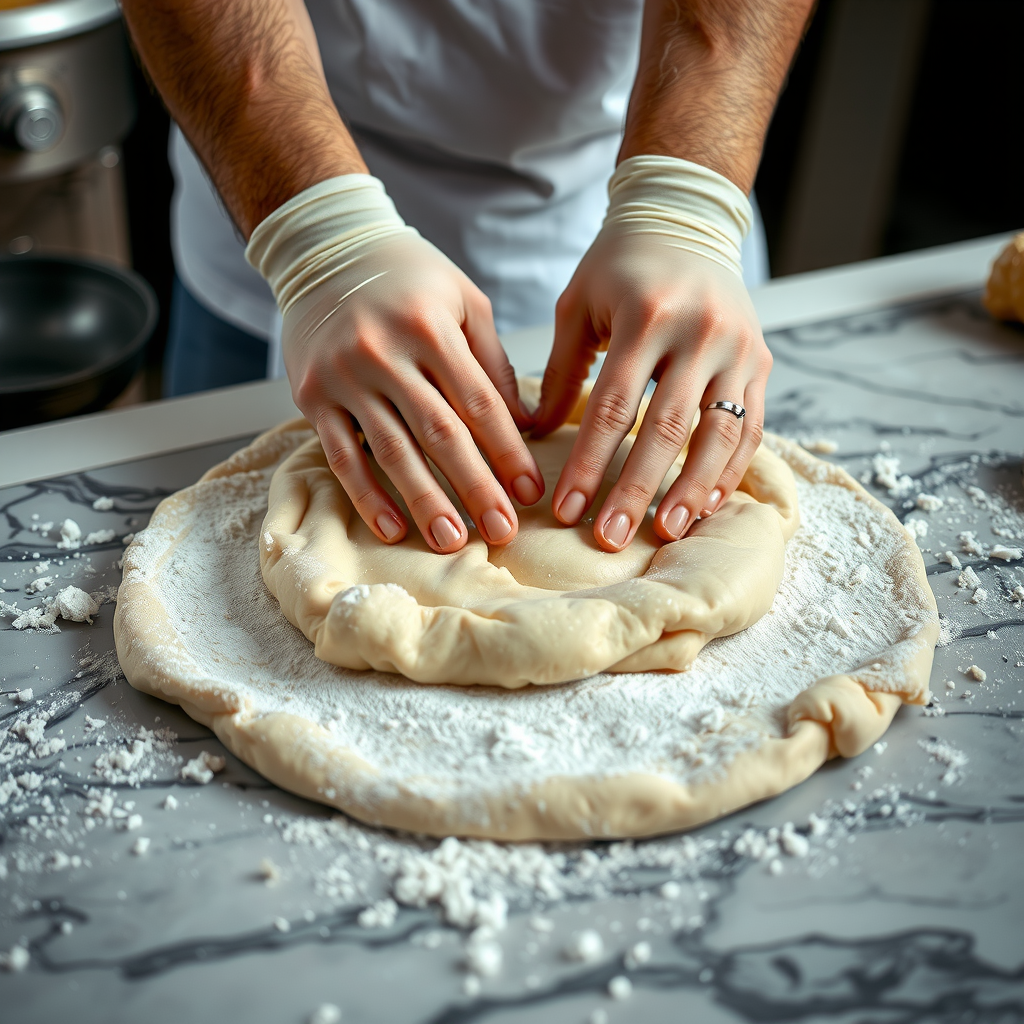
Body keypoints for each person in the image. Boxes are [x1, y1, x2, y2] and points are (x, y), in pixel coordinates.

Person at [121, 0, 814, 556]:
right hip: (278, 180)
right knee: (216, 564)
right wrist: (318, 237)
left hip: (645, 175)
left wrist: (684, 205)